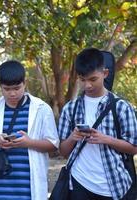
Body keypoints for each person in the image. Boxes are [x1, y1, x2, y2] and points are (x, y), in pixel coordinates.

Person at [58, 48, 137, 200]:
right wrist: (73, 137)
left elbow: (134, 148)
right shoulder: (70, 108)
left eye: (93, 79)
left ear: (105, 73)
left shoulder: (121, 107)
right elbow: (63, 151)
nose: (87, 85)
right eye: (82, 80)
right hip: (78, 183)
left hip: (113, 186)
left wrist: (105, 139)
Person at [0, 60, 60, 200]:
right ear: (0, 86)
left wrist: (29, 143)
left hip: (29, 189)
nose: (12, 94)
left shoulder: (42, 109)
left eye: (17, 88)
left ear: (25, 83)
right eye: (7, 89)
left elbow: (53, 145)